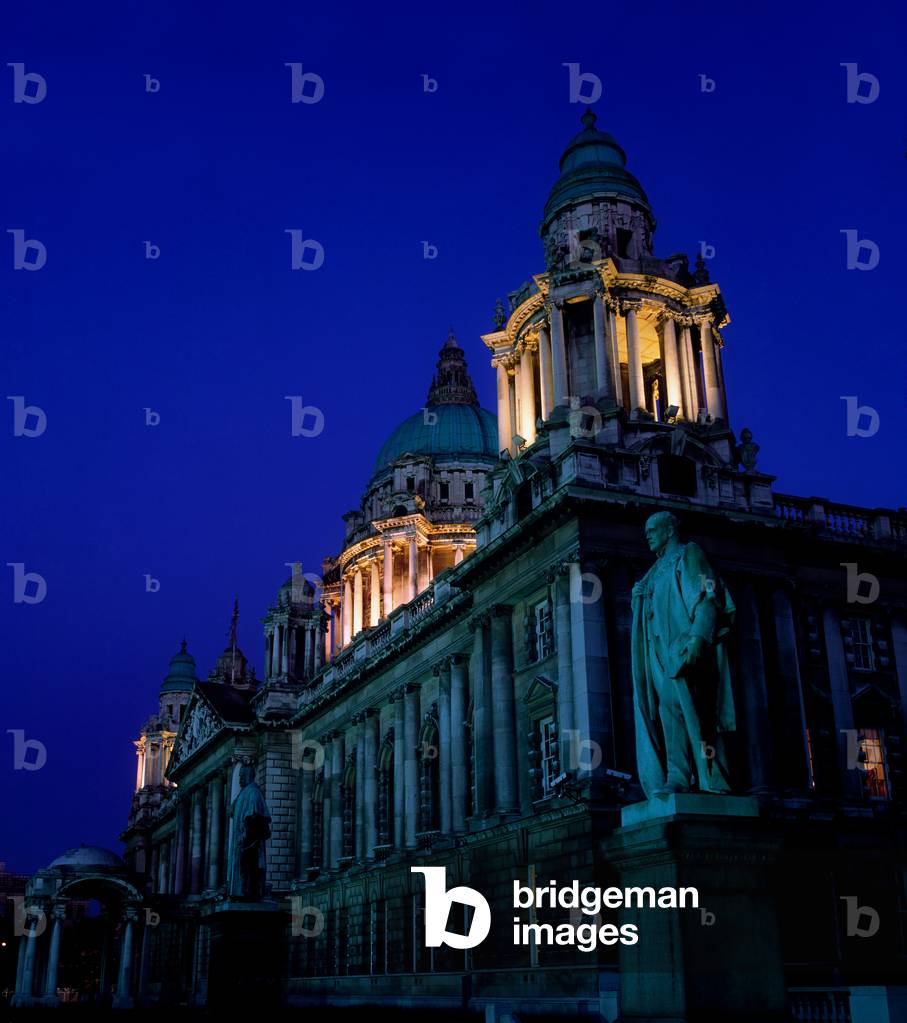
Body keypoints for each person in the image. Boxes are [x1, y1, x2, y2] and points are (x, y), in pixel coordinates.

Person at [631, 511, 736, 798]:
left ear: (669, 530)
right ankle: (679, 775)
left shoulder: (688, 554)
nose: (648, 535)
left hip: (684, 648)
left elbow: (706, 595)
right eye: (646, 530)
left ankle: (712, 777)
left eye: (653, 529)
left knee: (698, 715)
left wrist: (699, 637)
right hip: (661, 656)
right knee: (669, 711)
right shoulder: (654, 571)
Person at [228, 762, 272, 898]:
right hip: (242, 843)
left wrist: (246, 838)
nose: (240, 779)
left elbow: (255, 818)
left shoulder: (253, 792)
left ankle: (248, 894)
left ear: (249, 775)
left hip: (249, 844)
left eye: (242, 776)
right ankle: (241, 892)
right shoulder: (244, 793)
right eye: (239, 776)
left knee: (249, 873)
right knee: (243, 873)